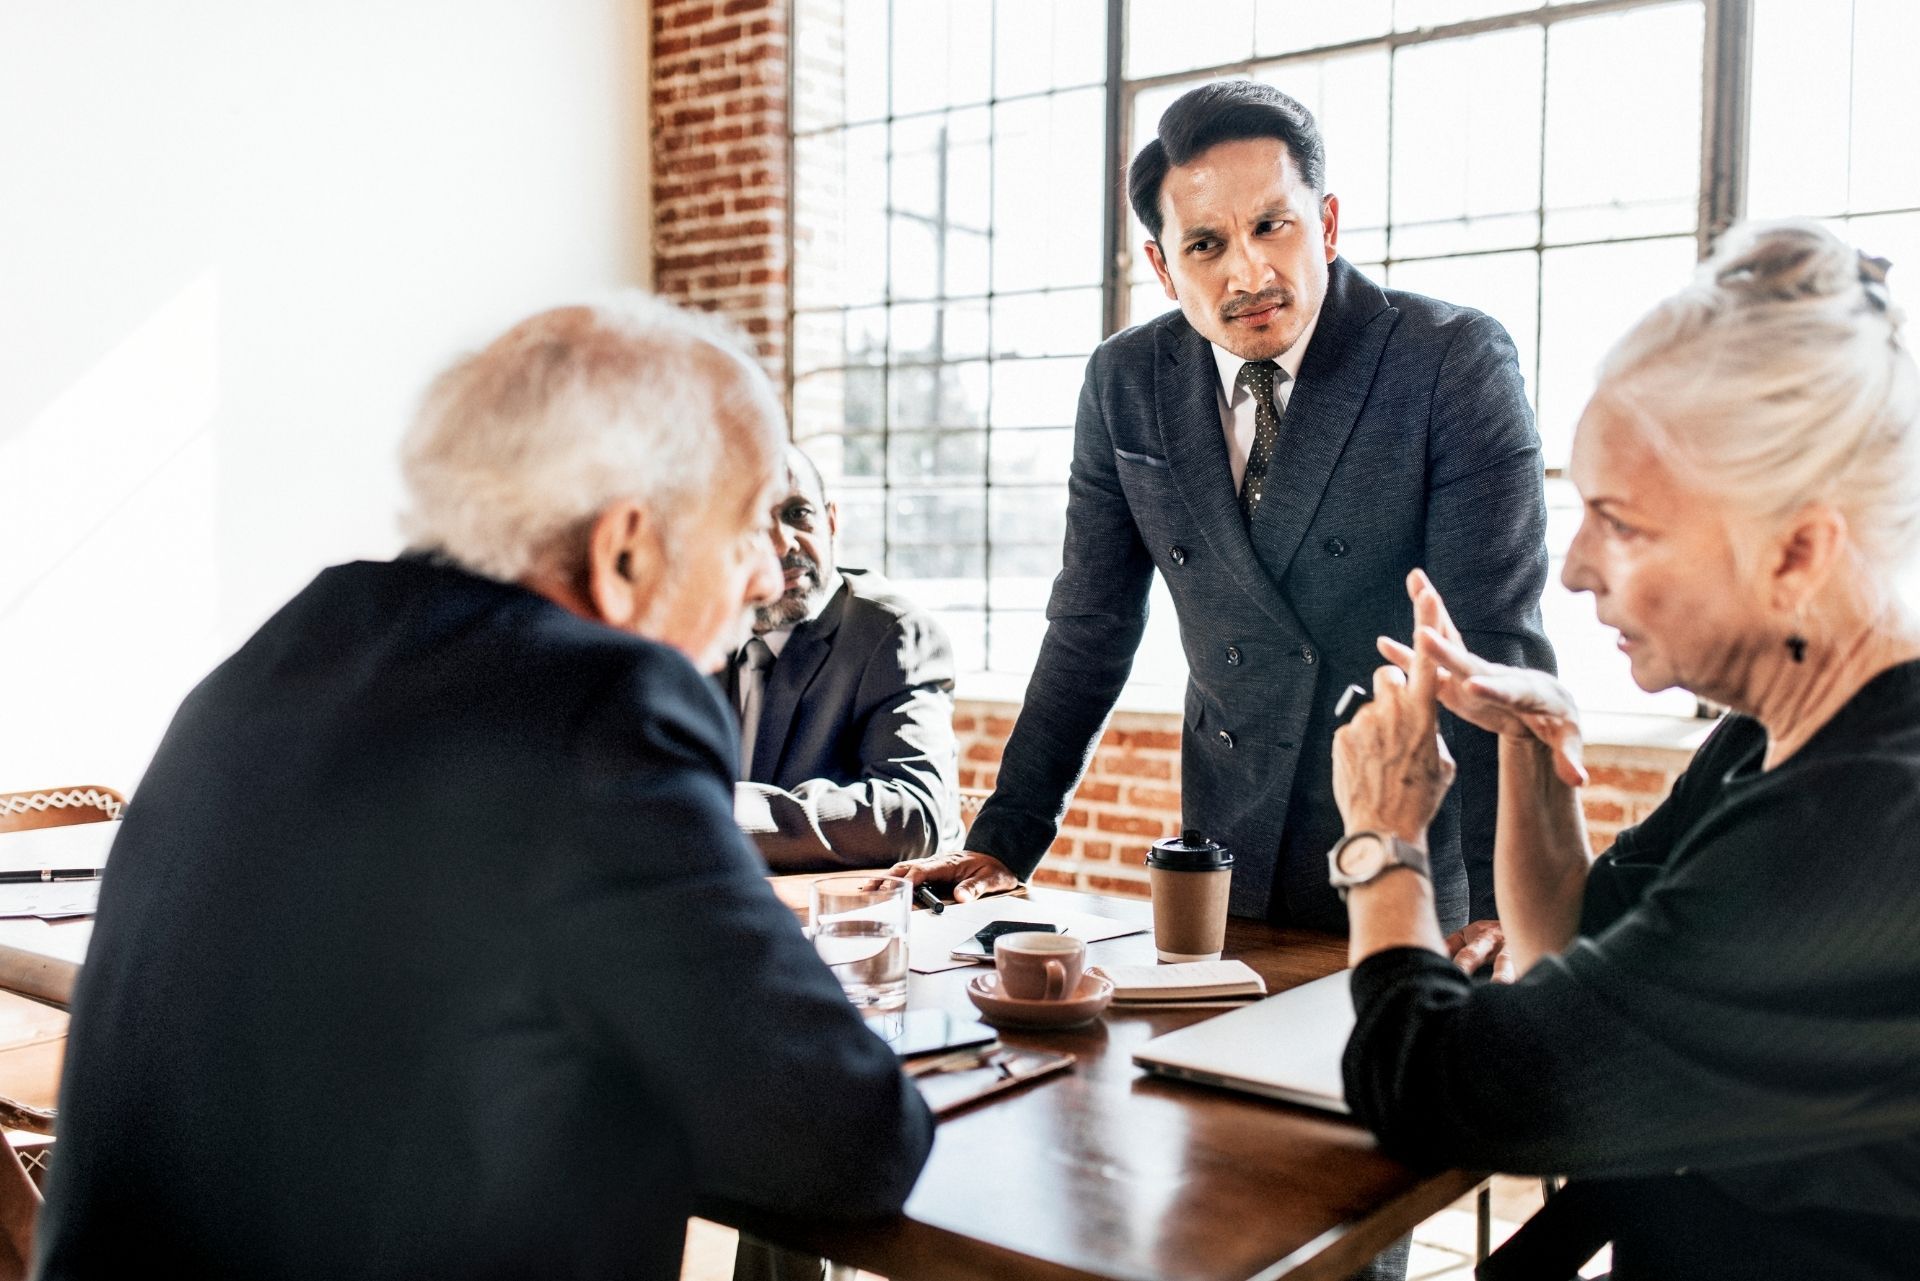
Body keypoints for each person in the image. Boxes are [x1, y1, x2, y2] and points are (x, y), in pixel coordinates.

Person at [36, 298, 935, 1280]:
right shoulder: (600, 710)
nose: (766, 575)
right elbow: (851, 1141)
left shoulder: (275, 655)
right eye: (747, 526)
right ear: (626, 551)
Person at [1334, 222, 1920, 1279]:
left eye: (1621, 523)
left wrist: (1384, 840)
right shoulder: (1770, 730)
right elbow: (1576, 955)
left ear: (1797, 552)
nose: (1574, 569)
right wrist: (1534, 741)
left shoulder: (1866, 825)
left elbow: (1436, 1088)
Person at [895, 79, 1554, 961]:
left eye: (1272, 226)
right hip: (1224, 856)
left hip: (1409, 862)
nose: (1248, 274)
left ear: (1325, 224)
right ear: (1163, 266)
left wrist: (1508, 901)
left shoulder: (1449, 362)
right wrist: (1002, 841)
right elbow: (1089, 626)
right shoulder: (1125, 381)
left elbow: (1493, 647)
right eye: (1206, 244)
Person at [729, 445, 963, 869]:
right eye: (754, 524)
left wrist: (718, 809)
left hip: (851, 905)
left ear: (832, 520)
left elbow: (912, 816)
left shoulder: (894, 634)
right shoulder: (697, 630)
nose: (784, 543)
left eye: (798, 513)